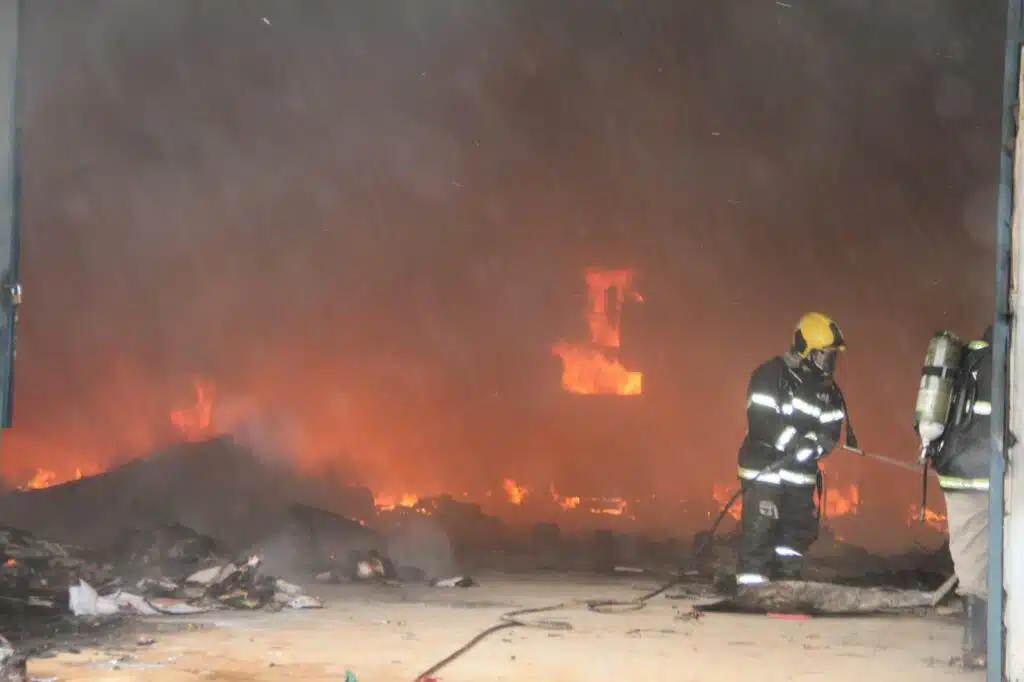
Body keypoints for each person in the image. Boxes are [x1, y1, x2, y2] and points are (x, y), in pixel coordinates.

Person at [734, 312, 848, 586]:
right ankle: (752, 588)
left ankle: (787, 584)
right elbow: (761, 421)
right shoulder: (769, 375)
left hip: (800, 476)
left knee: (794, 536)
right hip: (765, 470)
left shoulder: (829, 392)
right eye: (823, 355)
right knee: (759, 533)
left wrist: (817, 447)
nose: (829, 363)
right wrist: (796, 442)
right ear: (803, 349)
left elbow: (831, 431)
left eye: (832, 356)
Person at [929, 325, 993, 670]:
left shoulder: (967, 360)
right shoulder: (1006, 366)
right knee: (991, 558)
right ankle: (983, 645)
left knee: (971, 559)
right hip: (989, 476)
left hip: (956, 473)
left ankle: (975, 644)